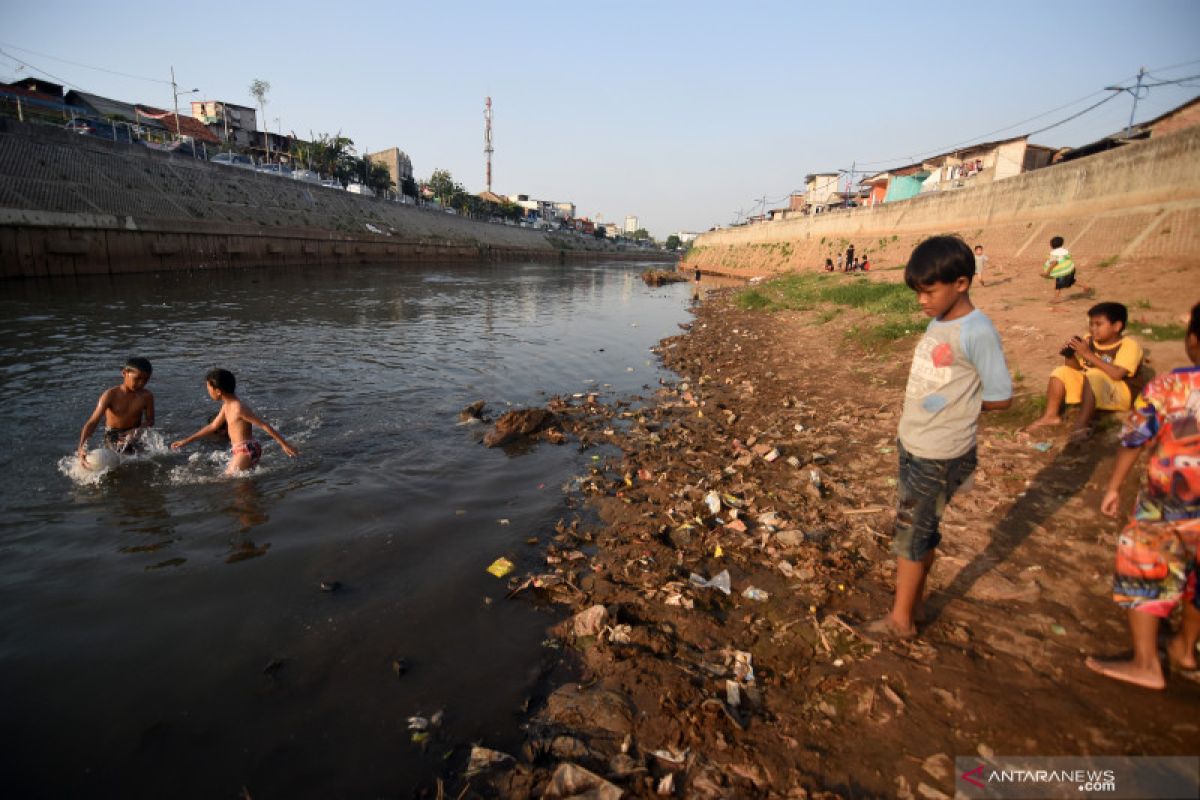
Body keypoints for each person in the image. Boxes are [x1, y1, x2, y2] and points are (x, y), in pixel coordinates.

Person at [868, 235, 1012, 639]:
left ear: (962, 283)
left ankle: (901, 621)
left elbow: (1000, 398)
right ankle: (911, 602)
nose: (922, 301)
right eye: (918, 293)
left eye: (929, 291)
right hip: (913, 442)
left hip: (940, 452)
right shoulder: (941, 320)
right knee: (922, 528)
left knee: (911, 534)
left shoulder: (978, 331)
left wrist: (960, 404)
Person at [1084, 301, 1200, 690]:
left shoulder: (1170, 386)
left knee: (1146, 566)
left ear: (1193, 341)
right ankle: (1185, 649)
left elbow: (1135, 439)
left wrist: (1114, 486)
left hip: (1169, 503)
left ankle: (1147, 662)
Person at [1026, 302, 1143, 441]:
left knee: (1094, 374)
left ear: (1117, 326)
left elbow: (1117, 374)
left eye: (1099, 324)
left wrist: (1088, 354)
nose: (1094, 329)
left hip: (1120, 394)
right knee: (1061, 371)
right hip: (1093, 388)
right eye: (1091, 324)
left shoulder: (1129, 345)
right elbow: (1078, 369)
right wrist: (1069, 355)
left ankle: (1080, 425)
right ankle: (1051, 416)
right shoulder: (1089, 340)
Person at [172, 368, 298, 474]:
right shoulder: (226, 405)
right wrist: (185, 441)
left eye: (209, 389)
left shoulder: (238, 408)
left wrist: (284, 444)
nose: (208, 393)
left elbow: (264, 425)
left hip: (246, 450)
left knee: (229, 481)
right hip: (243, 449)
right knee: (241, 485)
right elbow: (213, 426)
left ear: (218, 391)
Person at [77, 357, 155, 468]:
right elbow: (93, 422)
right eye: (137, 379)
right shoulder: (110, 395)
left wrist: (136, 430)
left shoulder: (147, 396)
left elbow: (150, 420)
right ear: (124, 373)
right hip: (114, 435)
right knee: (120, 462)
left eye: (146, 380)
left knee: (146, 461)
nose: (141, 383)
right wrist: (81, 447)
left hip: (135, 432)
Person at [1042, 235, 1091, 303]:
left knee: (1058, 285)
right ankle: (1085, 286)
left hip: (1062, 271)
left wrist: (1047, 272)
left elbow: (1054, 263)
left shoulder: (1053, 254)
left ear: (1051, 245)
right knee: (1071, 281)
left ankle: (1055, 299)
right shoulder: (1065, 250)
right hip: (1070, 268)